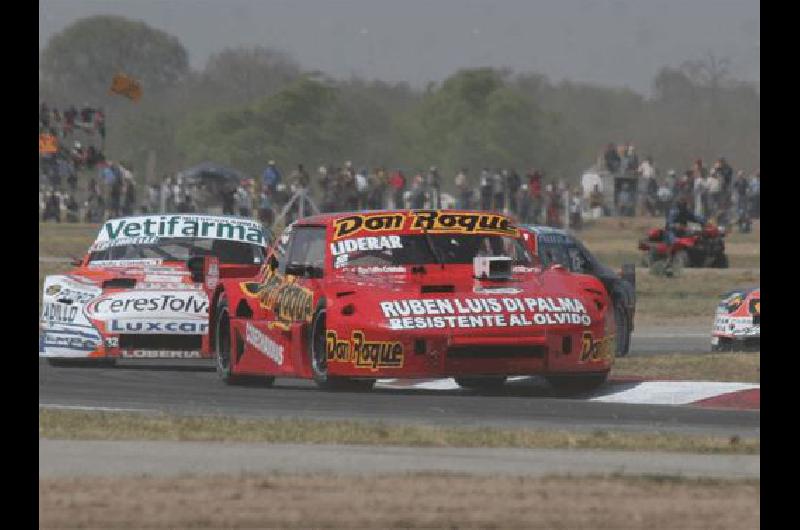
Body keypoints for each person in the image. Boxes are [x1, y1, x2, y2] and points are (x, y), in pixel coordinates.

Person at [663, 195, 706, 271]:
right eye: (683, 203)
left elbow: (694, 217)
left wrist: (704, 221)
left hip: (683, 231)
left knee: (696, 239)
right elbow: (669, 223)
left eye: (685, 203)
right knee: (674, 241)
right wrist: (676, 225)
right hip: (671, 232)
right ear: (679, 204)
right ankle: (668, 259)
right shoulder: (674, 212)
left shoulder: (686, 212)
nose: (684, 205)